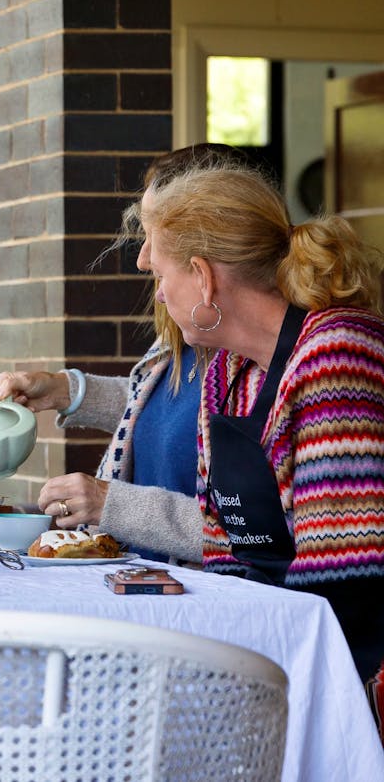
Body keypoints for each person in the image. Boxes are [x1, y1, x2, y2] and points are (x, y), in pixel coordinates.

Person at [139, 159, 384, 682]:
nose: (159, 295)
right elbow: (225, 553)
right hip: (280, 642)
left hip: (349, 663)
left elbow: (346, 578)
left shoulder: (335, 356)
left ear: (203, 277)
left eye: (162, 276)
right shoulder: (226, 374)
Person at [0, 144, 252, 565]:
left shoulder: (257, 360)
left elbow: (251, 534)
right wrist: (66, 391)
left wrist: (109, 503)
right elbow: (161, 413)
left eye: (154, 236)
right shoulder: (186, 334)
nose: (142, 259)